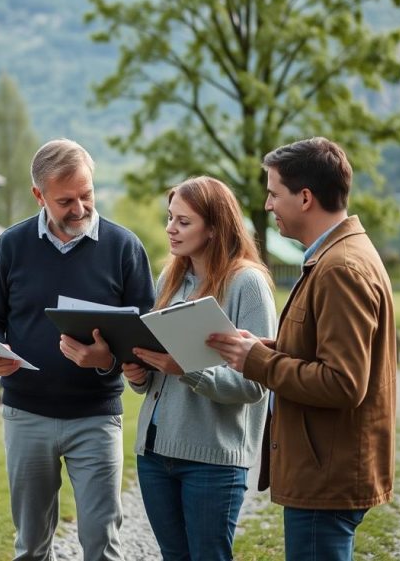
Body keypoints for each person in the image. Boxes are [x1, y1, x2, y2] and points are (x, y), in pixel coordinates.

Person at [207, 137, 397, 561]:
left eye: (274, 193)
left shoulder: (340, 268)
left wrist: (258, 362)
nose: (269, 204)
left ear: (305, 197)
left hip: (326, 475)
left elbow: (344, 382)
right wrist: (266, 346)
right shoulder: (333, 257)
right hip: (324, 469)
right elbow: (322, 347)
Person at [0, 138, 155, 561]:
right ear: (39, 195)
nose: (79, 208)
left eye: (86, 195)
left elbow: (145, 336)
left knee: (101, 544)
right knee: (31, 544)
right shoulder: (11, 245)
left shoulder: (124, 248)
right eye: (65, 200)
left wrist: (106, 361)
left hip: (96, 417)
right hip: (26, 416)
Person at [112, 176, 276, 560]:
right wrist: (139, 373)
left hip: (212, 460)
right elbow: (158, 368)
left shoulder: (247, 284)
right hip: (154, 454)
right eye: (170, 218)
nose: (171, 228)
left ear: (215, 227)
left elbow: (257, 383)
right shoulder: (169, 278)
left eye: (184, 222)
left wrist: (186, 367)